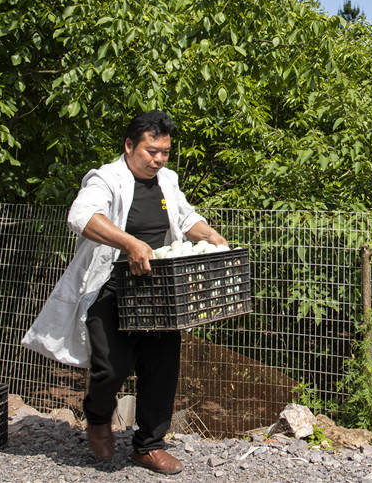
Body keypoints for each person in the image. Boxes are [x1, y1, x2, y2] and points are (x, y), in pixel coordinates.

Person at [22, 110, 227, 475]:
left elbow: (184, 218)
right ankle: (98, 418)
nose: (159, 159)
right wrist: (130, 243)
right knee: (110, 368)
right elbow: (82, 217)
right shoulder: (106, 178)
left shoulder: (167, 180)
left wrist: (208, 233)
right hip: (112, 287)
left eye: (165, 151)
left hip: (159, 290)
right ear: (129, 145)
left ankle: (148, 445)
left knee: (162, 366)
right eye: (152, 151)